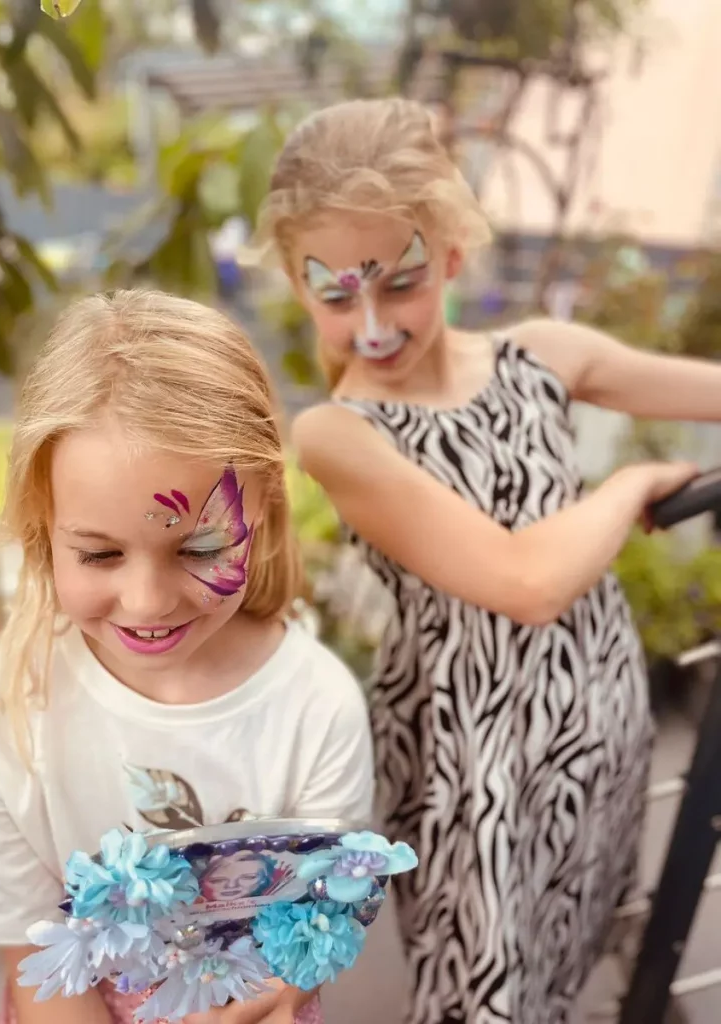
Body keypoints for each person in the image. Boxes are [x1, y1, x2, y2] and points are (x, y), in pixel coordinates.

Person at [250, 96, 721, 1024]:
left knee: (565, 961)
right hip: (472, 763)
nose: (372, 325)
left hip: (596, 730)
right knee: (481, 990)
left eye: (401, 283)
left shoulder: (540, 357)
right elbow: (524, 582)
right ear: (301, 290)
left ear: (452, 253)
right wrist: (630, 488)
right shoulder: (341, 433)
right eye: (337, 296)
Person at [0, 290, 374, 1024]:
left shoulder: (318, 707)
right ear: (42, 525)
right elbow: (36, 965)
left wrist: (272, 996)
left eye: (201, 548)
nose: (147, 603)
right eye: (99, 554)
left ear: (264, 508)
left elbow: (320, 921)